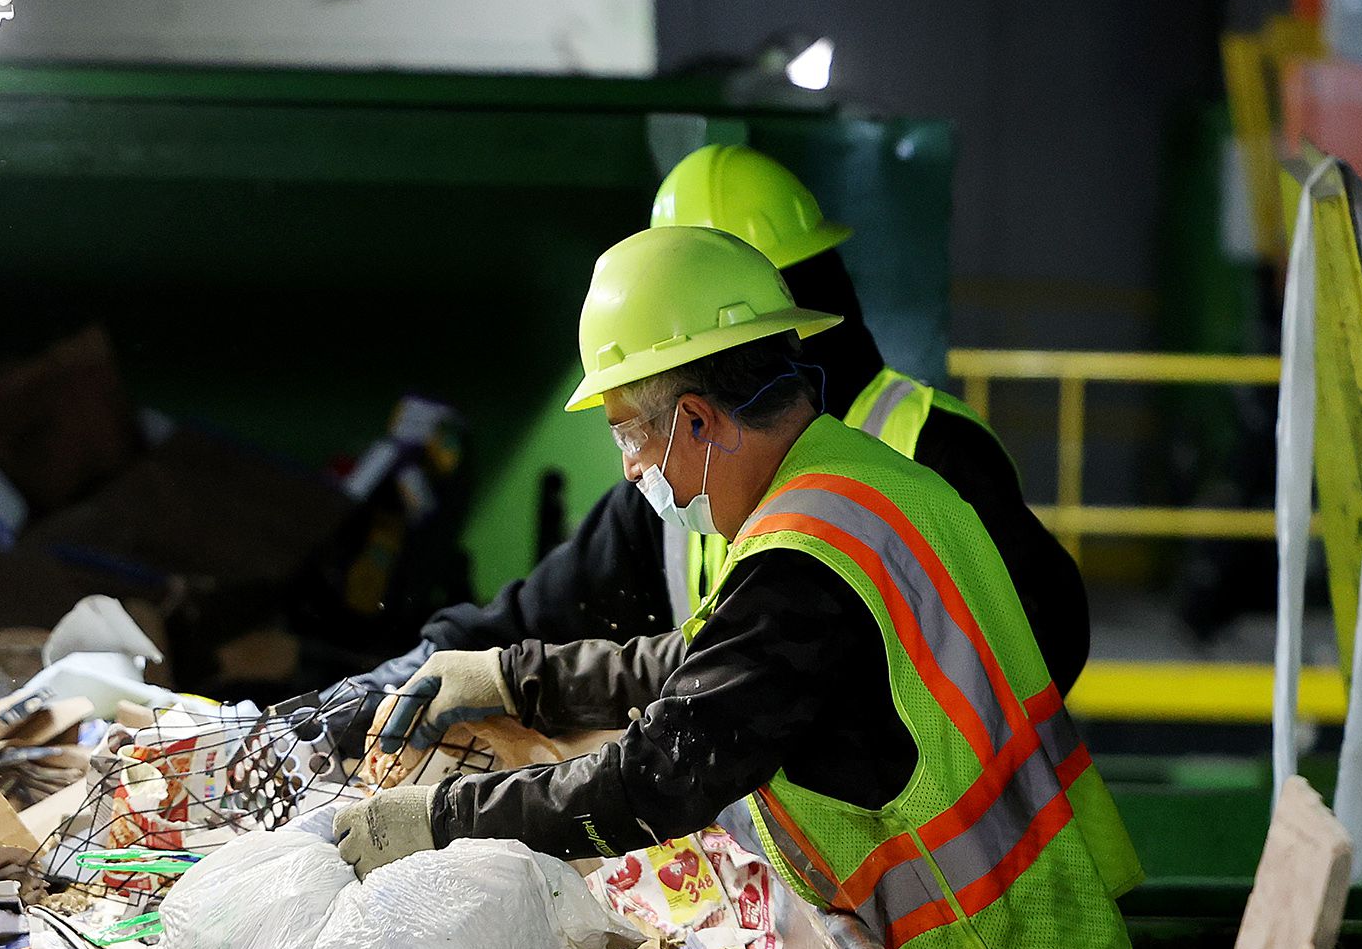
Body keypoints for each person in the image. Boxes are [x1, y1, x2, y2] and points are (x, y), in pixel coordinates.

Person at [330, 227, 1139, 949]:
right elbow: (703, 663)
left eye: (627, 435)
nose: (632, 469)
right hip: (1053, 946)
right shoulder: (853, 481)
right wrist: (508, 674)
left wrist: (436, 819)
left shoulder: (802, 564)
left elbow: (654, 780)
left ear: (694, 420)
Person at [316, 143, 1084, 755]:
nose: (636, 456)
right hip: (811, 878)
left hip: (956, 899)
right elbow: (556, 616)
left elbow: (1040, 648)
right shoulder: (673, 478)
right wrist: (421, 672)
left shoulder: (930, 451)